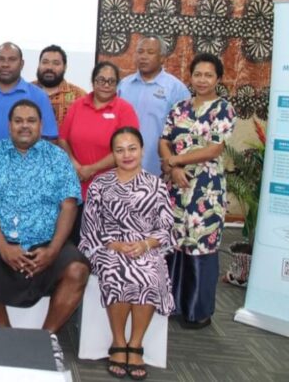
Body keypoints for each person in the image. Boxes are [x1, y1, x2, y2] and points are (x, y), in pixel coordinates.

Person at [0, 99, 89, 333]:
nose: (25, 126)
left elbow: (69, 206)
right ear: (9, 125)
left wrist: (53, 251)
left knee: (77, 270)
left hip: (47, 241)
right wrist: (3, 248)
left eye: (31, 121)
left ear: (41, 126)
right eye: (18, 121)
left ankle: (46, 337)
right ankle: (6, 334)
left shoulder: (57, 158)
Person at [80, 127, 175, 380]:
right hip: (108, 246)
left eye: (132, 148)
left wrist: (145, 244)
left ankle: (136, 344)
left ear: (142, 150)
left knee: (148, 273)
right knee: (116, 270)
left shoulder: (156, 185)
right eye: (119, 150)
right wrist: (114, 245)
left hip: (147, 246)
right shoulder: (100, 184)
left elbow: (166, 227)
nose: (126, 154)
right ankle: (118, 342)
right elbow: (90, 225)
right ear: (112, 154)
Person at [159, 53, 235, 329]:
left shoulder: (224, 109)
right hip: (175, 186)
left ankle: (197, 311)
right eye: (198, 74)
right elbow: (164, 140)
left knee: (201, 246)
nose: (202, 80)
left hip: (206, 189)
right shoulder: (179, 107)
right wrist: (172, 166)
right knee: (174, 243)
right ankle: (172, 304)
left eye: (208, 75)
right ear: (190, 76)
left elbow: (214, 149)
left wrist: (176, 161)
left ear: (218, 78)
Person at [59, 62, 139, 241]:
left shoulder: (124, 109)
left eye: (111, 81)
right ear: (93, 81)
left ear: (117, 84)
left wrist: (92, 169)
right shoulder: (78, 105)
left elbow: (127, 148)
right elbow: (63, 138)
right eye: (101, 80)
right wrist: (75, 164)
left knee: (103, 242)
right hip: (75, 186)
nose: (105, 85)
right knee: (74, 240)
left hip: (110, 190)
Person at [117, 35, 190, 175]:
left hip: (158, 169)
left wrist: (175, 164)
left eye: (150, 53)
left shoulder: (176, 89)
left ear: (162, 58)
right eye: (140, 52)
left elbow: (184, 133)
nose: (143, 56)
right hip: (123, 167)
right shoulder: (124, 85)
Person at [32, 44, 86, 126]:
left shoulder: (79, 95)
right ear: (39, 65)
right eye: (45, 62)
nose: (49, 67)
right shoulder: (26, 91)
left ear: (65, 67)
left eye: (56, 63)